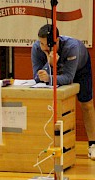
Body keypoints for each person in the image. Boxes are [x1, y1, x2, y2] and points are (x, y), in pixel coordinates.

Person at [31, 24, 95, 160]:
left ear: (57, 40)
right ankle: (57, 144)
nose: (43, 47)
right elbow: (37, 78)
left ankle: (93, 144)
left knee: (87, 105)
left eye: (46, 44)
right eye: (41, 43)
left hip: (80, 69)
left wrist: (49, 76)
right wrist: (49, 65)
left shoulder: (72, 47)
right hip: (54, 70)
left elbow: (68, 78)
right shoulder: (37, 48)